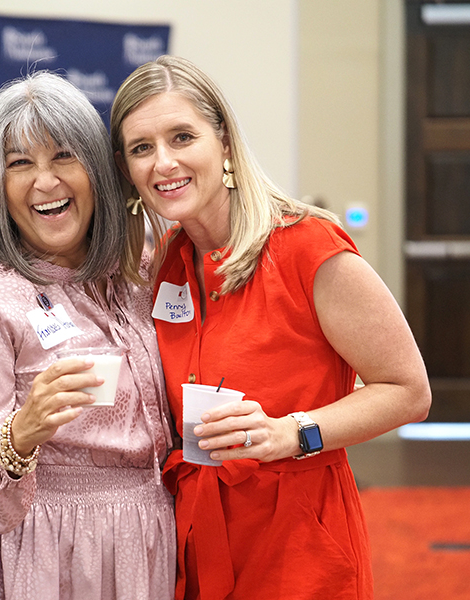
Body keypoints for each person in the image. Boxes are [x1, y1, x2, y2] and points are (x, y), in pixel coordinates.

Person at [110, 55, 432, 600]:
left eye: (182, 137)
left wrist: (293, 433)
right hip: (196, 541)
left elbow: (408, 392)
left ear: (225, 144)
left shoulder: (308, 247)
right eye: (142, 148)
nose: (164, 162)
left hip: (298, 545)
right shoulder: (169, 259)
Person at [0, 71, 176, 600]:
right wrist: (21, 432)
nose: (45, 182)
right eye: (20, 163)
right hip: (41, 554)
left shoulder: (140, 275)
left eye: (64, 156)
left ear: (99, 170)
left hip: (148, 542)